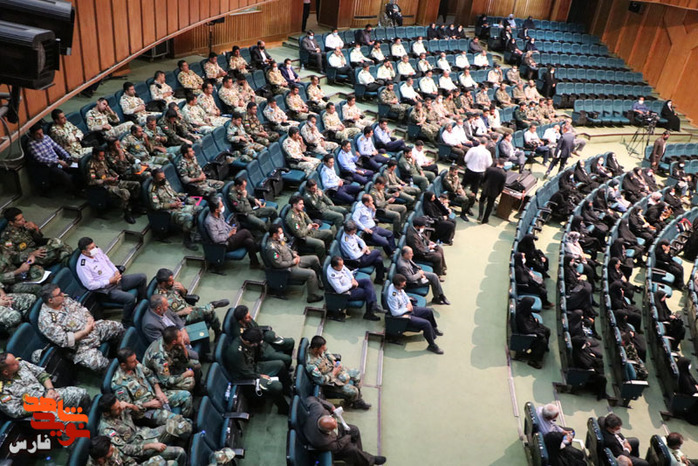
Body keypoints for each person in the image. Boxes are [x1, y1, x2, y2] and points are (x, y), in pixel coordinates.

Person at [38, 283, 125, 372]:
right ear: (50, 300)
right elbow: (65, 340)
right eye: (59, 294)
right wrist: (85, 332)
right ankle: (117, 371)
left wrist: (89, 317)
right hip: (80, 346)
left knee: (118, 327)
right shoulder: (46, 321)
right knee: (98, 364)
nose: (63, 294)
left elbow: (81, 307)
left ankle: (118, 353)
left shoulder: (64, 299)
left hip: (93, 328)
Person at [97, 393, 189, 465]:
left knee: (183, 427)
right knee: (180, 452)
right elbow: (125, 450)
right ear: (107, 413)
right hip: (140, 449)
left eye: (119, 405)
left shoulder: (120, 407)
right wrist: (151, 446)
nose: (121, 408)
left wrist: (131, 406)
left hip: (146, 433)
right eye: (117, 409)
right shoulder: (106, 430)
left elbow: (140, 415)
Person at [75, 237, 146, 326]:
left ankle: (141, 304)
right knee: (130, 298)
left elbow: (108, 262)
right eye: (91, 248)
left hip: (118, 279)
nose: (95, 249)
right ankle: (126, 321)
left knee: (142, 277)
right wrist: (109, 281)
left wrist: (116, 271)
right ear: (84, 252)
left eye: (94, 246)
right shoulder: (83, 266)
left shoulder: (97, 251)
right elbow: (90, 285)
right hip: (108, 290)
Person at [112, 347, 193, 421]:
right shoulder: (119, 384)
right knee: (176, 420)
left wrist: (158, 390)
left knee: (186, 396)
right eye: (133, 361)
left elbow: (149, 374)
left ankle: (187, 418)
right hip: (146, 411)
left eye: (135, 359)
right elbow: (129, 409)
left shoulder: (136, 366)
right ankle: (185, 424)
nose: (137, 362)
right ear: (123, 365)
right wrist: (149, 404)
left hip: (155, 395)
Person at [0, 352, 90, 419]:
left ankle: (89, 418)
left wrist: (51, 390)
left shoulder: (22, 364)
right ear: (6, 372)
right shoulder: (3, 391)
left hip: (47, 394)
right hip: (38, 411)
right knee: (70, 420)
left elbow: (41, 374)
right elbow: (17, 411)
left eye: (15, 359)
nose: (18, 362)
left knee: (81, 394)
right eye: (14, 363)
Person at [224, 327, 291, 414]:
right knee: (276, 387)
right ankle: (284, 409)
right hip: (246, 378)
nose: (256, 345)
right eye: (255, 344)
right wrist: (259, 376)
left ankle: (287, 389)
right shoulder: (235, 352)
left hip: (254, 367)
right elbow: (244, 372)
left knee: (280, 364)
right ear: (248, 342)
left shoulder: (246, 340)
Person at [303, 396, 386, 465]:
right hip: (334, 445)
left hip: (332, 436)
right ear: (328, 431)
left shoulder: (317, 409)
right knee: (352, 449)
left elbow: (311, 398)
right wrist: (348, 436)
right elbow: (338, 446)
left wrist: (331, 407)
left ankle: (360, 456)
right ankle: (370, 460)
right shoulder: (323, 441)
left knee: (354, 429)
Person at [154, 268, 226, 338]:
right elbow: (165, 317)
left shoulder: (172, 286)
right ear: (163, 283)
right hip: (182, 318)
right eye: (170, 281)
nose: (173, 281)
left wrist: (182, 289)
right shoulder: (158, 298)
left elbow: (185, 296)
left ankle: (217, 330)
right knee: (209, 311)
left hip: (188, 308)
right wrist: (182, 312)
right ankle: (212, 307)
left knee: (210, 312)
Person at [306, 335, 371, 408]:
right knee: (354, 391)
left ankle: (356, 400)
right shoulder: (311, 365)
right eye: (322, 348)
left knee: (356, 373)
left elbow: (327, 352)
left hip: (333, 369)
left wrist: (333, 361)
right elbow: (321, 380)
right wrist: (334, 373)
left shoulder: (318, 348)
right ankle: (354, 400)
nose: (324, 349)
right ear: (315, 349)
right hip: (330, 382)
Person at [386, 273, 443, 354]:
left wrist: (409, 303)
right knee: (426, 324)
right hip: (403, 316)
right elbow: (395, 313)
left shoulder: (396, 286)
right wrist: (407, 309)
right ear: (397, 286)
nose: (404, 286)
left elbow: (404, 295)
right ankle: (432, 346)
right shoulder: (393, 296)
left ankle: (434, 328)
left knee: (429, 312)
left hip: (407, 308)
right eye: (402, 285)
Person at [265, 225, 323, 303]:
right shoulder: (272, 248)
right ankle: (312, 297)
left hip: (294, 260)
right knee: (311, 273)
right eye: (280, 233)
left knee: (314, 259)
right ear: (275, 235)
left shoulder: (279, 239)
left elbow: (287, 247)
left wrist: (293, 253)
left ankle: (317, 281)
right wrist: (293, 262)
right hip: (288, 269)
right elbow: (278, 264)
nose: (282, 234)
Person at [149, 168, 202, 251]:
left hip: (177, 205)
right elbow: (156, 206)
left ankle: (196, 233)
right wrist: (171, 205)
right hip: (169, 211)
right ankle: (187, 240)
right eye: (160, 178)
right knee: (188, 217)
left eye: (164, 177)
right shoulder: (153, 190)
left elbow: (172, 192)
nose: (163, 179)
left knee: (199, 209)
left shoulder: (165, 182)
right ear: (155, 179)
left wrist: (177, 197)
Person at [204, 196, 261, 268]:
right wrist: (229, 234)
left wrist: (232, 229)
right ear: (216, 210)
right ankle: (258, 247)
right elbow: (216, 239)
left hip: (229, 236)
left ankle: (255, 264)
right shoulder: (210, 222)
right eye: (221, 206)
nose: (223, 207)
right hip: (224, 244)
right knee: (245, 232)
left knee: (249, 242)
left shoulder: (219, 214)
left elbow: (224, 224)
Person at [143, 324, 202, 392]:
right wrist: (185, 374)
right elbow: (167, 381)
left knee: (196, 364)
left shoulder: (171, 342)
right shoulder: (159, 357)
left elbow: (185, 360)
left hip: (170, 363)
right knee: (189, 382)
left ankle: (198, 387)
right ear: (174, 342)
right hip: (158, 377)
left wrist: (183, 346)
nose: (182, 337)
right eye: (180, 336)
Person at [326, 256, 381, 320]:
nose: (343, 266)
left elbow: (347, 270)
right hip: (346, 293)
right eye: (341, 265)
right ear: (335, 267)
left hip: (350, 282)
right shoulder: (332, 276)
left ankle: (374, 305)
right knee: (367, 292)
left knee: (367, 282)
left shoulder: (338, 265)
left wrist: (352, 279)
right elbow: (339, 290)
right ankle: (369, 313)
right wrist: (351, 285)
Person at [26, 123, 76, 191]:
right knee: (65, 176)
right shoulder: (31, 145)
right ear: (32, 135)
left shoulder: (46, 137)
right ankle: (74, 191)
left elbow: (57, 147)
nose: (41, 135)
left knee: (76, 167)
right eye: (38, 134)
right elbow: (40, 158)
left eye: (42, 132)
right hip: (49, 166)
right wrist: (58, 161)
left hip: (58, 160)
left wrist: (67, 157)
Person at [285, 195, 334, 260]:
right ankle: (321, 260)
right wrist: (308, 228)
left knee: (329, 233)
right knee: (320, 244)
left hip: (309, 232)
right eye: (300, 204)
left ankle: (325, 251)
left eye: (303, 204)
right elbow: (299, 234)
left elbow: (306, 217)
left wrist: (312, 224)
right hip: (303, 239)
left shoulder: (300, 211)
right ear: (294, 205)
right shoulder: (291, 218)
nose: (303, 206)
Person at [515, 297, 550, 369]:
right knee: (542, 341)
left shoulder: (525, 309)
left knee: (547, 330)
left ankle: (545, 348)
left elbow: (530, 318)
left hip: (532, 326)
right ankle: (534, 360)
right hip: (528, 333)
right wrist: (538, 331)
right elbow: (527, 330)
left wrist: (535, 322)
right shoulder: (521, 317)